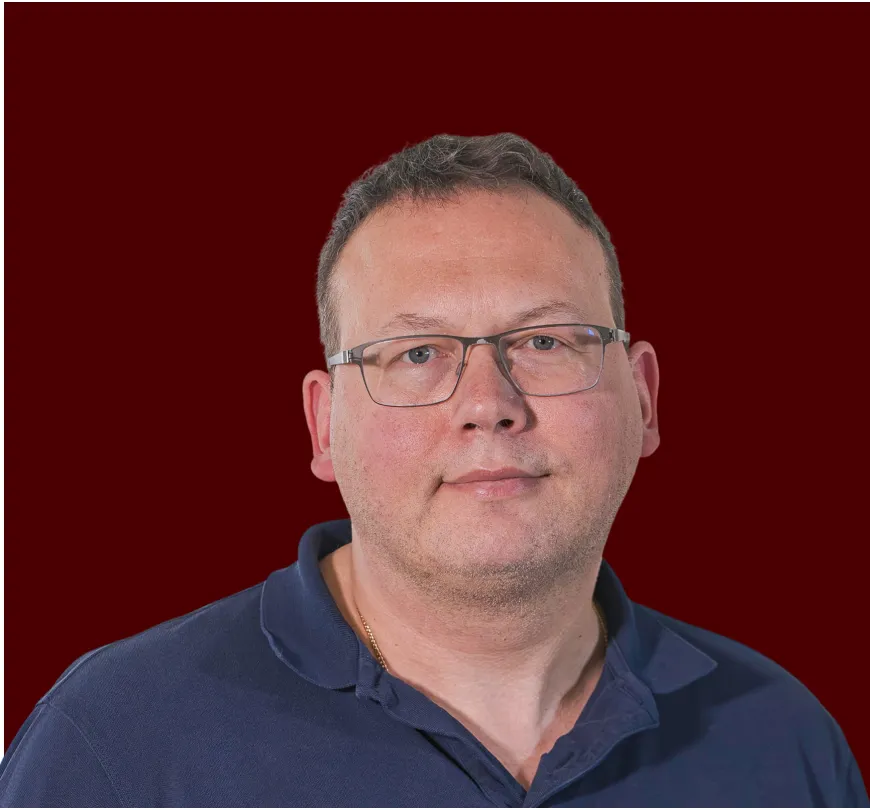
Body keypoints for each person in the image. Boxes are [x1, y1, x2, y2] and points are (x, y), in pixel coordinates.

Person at [1, 133, 866, 808]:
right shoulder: (113, 744)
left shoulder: (781, 741)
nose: (488, 403)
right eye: (417, 353)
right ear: (323, 424)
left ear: (643, 397)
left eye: (544, 341)